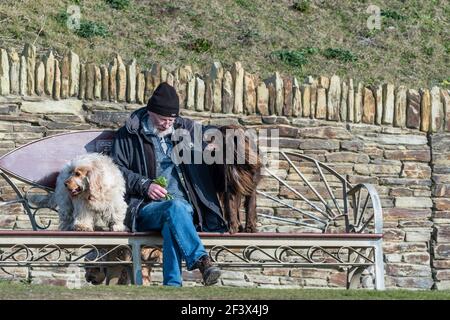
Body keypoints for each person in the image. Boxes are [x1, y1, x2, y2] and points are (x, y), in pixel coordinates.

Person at [111, 82, 227, 287]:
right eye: (163, 119)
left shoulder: (185, 129)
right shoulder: (128, 134)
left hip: (185, 211)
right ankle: (201, 260)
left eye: (171, 119)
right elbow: (116, 169)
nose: (167, 124)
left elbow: (212, 132)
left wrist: (214, 141)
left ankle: (173, 286)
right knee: (175, 209)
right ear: (150, 112)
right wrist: (144, 185)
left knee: (173, 219)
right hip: (144, 208)